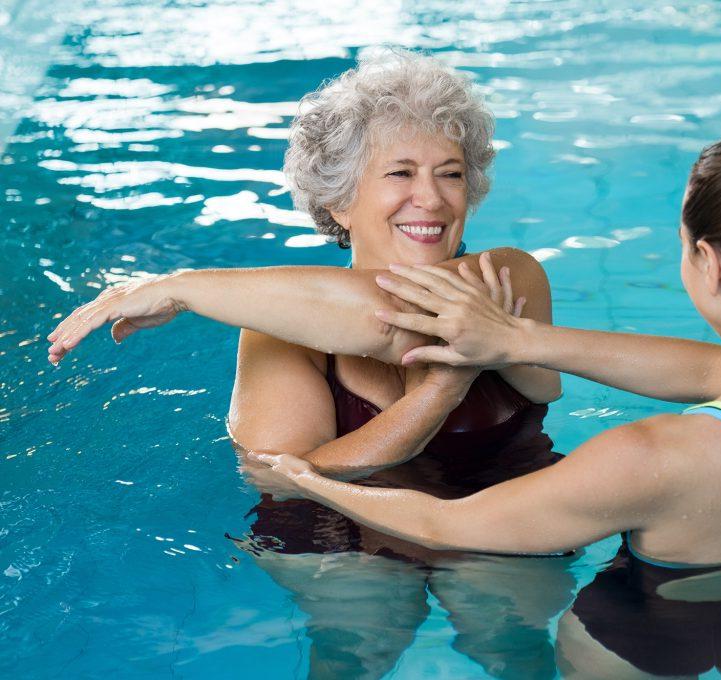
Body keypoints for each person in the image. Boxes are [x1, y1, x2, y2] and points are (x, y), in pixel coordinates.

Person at [46, 49, 571, 678]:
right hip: (339, 531)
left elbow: (392, 314)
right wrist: (437, 395)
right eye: (400, 173)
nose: (429, 199)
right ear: (343, 204)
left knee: (512, 644)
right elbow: (284, 477)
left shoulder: (509, 277)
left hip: (499, 506)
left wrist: (184, 285)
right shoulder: (275, 328)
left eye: (451, 174)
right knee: (358, 639)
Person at [250, 130, 721, 569]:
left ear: (710, 265)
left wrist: (304, 476)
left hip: (652, 650)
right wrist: (522, 341)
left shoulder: (648, 461)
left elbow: (438, 524)